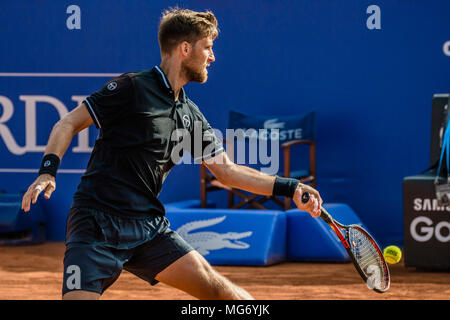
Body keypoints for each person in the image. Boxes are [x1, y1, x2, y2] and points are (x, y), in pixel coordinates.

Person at [21, 8, 322, 300]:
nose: (212, 56)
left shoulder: (191, 115)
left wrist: (290, 187)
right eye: (208, 47)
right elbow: (69, 122)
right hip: (95, 223)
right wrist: (47, 171)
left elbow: (227, 171)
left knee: (223, 293)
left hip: (147, 228)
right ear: (186, 48)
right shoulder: (133, 87)